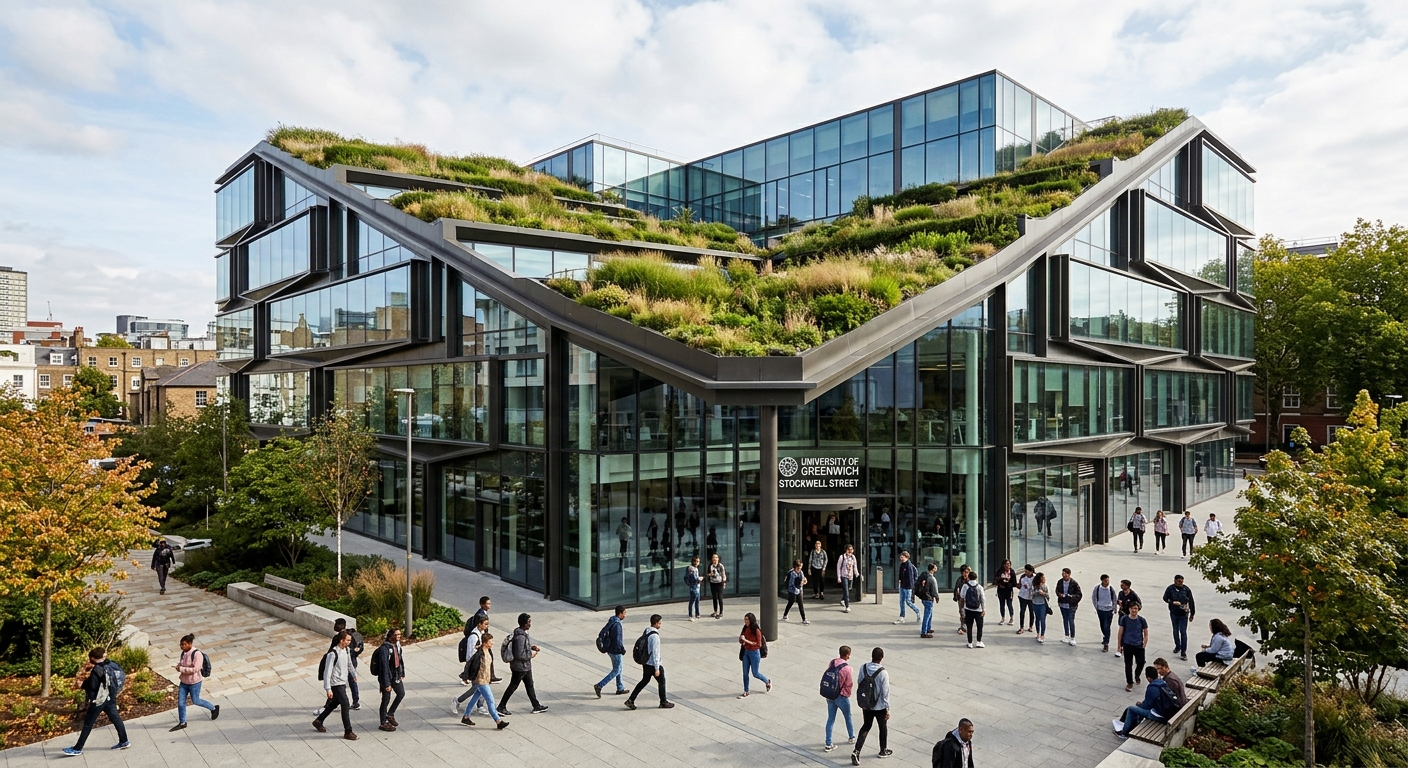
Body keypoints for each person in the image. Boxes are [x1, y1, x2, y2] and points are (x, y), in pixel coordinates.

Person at [62, 647, 130, 755]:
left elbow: (93, 687)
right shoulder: (111, 664)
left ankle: (77, 748)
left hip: (99, 700)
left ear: (93, 658)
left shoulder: (96, 670)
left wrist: (83, 686)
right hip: (110, 697)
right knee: (116, 719)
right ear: (103, 656)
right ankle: (124, 741)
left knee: (88, 723)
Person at [499, 613, 547, 715]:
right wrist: (531, 655)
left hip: (525, 667)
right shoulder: (520, 637)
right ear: (524, 623)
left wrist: (531, 647)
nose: (530, 624)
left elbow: (523, 648)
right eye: (529, 622)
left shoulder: (522, 633)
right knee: (513, 685)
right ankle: (501, 706)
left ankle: (536, 705)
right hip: (520, 667)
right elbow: (519, 654)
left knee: (529, 685)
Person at [459, 632, 510, 729]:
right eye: (490, 641)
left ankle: (466, 716)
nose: (492, 643)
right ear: (485, 643)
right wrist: (469, 677)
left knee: (474, 699)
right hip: (481, 681)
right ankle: (498, 721)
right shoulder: (479, 654)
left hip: (485, 680)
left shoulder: (487, 651)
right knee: (490, 701)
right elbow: (472, 666)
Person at [313, 630, 357, 740]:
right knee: (345, 704)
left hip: (343, 681)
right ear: (341, 640)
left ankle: (319, 721)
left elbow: (349, 663)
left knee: (334, 703)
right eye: (348, 640)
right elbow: (327, 672)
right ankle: (348, 731)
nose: (349, 642)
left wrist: (353, 674)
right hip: (336, 684)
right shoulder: (333, 654)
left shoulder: (346, 650)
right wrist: (328, 688)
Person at [851, 647, 892, 764]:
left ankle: (857, 750)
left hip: (867, 705)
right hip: (880, 707)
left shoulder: (863, 667)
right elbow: (885, 692)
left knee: (866, 726)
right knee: (882, 727)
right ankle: (883, 750)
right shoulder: (883, 672)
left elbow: (860, 683)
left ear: (872, 656)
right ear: (882, 658)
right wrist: (887, 708)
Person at [170, 633, 218, 730]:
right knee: (180, 703)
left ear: (190, 644)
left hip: (194, 682)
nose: (182, 646)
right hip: (184, 682)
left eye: (184, 644)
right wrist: (179, 666)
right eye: (181, 644)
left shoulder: (197, 654)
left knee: (196, 700)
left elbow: (196, 669)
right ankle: (182, 722)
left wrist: (182, 669)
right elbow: (183, 663)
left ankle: (213, 708)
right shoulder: (183, 653)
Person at [625, 614, 673, 710]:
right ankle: (663, 701)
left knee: (644, 681)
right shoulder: (655, 637)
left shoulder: (647, 631)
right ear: (655, 623)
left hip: (646, 662)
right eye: (659, 623)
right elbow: (655, 652)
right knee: (662, 681)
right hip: (653, 664)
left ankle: (631, 699)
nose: (660, 625)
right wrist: (657, 668)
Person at [1113, 666, 1172, 738]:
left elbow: (1146, 706)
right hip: (1167, 711)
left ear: (1149, 678)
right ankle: (1133, 725)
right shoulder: (1162, 682)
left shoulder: (1152, 687)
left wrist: (1140, 705)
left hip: (1159, 715)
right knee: (1138, 709)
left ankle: (1124, 733)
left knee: (1131, 709)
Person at [454, 614, 491, 713]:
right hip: (476, 666)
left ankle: (478, 706)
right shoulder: (473, 637)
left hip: (482, 665)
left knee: (478, 688)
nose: (487, 626)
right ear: (479, 624)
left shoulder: (482, 633)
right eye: (485, 624)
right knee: (478, 688)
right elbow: (469, 655)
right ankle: (459, 701)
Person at [823, 645, 856, 752]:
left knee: (831, 719)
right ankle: (851, 737)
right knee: (848, 716)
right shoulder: (848, 669)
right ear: (847, 655)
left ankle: (828, 743)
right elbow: (849, 684)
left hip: (830, 694)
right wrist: (846, 695)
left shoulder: (832, 662)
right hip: (841, 697)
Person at [372, 628, 406, 732]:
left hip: (396, 675)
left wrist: (402, 672)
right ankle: (383, 722)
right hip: (386, 677)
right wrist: (386, 684)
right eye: (396, 635)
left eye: (399, 634)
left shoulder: (397, 645)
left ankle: (390, 714)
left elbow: (400, 659)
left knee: (401, 693)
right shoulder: (384, 649)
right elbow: (384, 667)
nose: (398, 637)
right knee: (385, 700)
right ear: (390, 636)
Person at [593, 605, 629, 698]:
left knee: (619, 668)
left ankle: (620, 688)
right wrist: (622, 649)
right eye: (624, 613)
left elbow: (602, 633)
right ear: (620, 614)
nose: (625, 615)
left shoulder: (612, 621)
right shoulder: (617, 625)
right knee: (616, 670)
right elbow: (618, 640)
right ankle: (600, 685)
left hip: (609, 649)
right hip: (615, 650)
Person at [328, 618, 364, 711]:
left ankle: (337, 701)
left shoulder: (338, 638)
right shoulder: (351, 634)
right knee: (352, 682)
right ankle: (355, 702)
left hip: (342, 664)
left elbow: (331, 651)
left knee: (339, 682)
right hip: (352, 662)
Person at [1116, 602, 1150, 692]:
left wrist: (1144, 643)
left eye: (1135, 608)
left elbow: (1146, 633)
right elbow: (1120, 633)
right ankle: (1129, 682)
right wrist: (1119, 645)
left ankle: (1137, 674)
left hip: (1139, 645)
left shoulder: (1142, 620)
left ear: (1138, 609)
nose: (1134, 610)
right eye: (1132, 608)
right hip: (1127, 645)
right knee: (1128, 665)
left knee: (1141, 662)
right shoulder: (1124, 619)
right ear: (1129, 609)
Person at [1163, 575, 1196, 661]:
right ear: (1175, 581)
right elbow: (1165, 598)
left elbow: (1191, 601)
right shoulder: (1170, 588)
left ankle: (1183, 651)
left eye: (1182, 581)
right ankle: (1178, 645)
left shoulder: (1186, 589)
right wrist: (1172, 602)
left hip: (1183, 614)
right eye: (1179, 581)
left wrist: (1192, 613)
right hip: (1174, 613)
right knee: (1175, 630)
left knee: (1183, 632)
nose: (1180, 583)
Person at [738, 612, 771, 697]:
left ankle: (767, 681)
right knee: (745, 673)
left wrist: (746, 641)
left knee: (755, 673)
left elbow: (758, 644)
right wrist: (742, 641)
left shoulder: (756, 630)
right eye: (744, 619)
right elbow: (741, 639)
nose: (745, 621)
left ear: (751, 620)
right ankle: (746, 690)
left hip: (754, 653)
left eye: (747, 619)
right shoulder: (745, 628)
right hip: (746, 652)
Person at [1055, 567, 1082, 646]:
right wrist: (1059, 594)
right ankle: (1066, 635)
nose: (1064, 575)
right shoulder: (1060, 582)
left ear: (1069, 574)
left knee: (1071, 620)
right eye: (1062, 574)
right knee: (1065, 619)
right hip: (1062, 604)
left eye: (1065, 574)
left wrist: (1071, 597)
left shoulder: (1074, 583)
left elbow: (1079, 594)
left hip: (1071, 605)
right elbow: (1057, 590)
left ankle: (1072, 637)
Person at [959, 570, 986, 648]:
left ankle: (970, 642)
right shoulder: (979, 587)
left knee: (969, 626)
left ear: (969, 577)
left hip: (968, 609)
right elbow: (983, 599)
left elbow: (962, 597)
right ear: (976, 578)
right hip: (978, 609)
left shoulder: (965, 586)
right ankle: (979, 641)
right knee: (979, 626)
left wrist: (962, 609)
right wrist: (983, 609)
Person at [1092, 574, 1117, 652]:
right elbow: (1094, 597)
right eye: (1106, 581)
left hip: (1109, 610)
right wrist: (1097, 607)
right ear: (1102, 581)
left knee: (1107, 626)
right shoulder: (1097, 588)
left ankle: (1106, 643)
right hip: (1100, 609)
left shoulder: (1111, 589)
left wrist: (1114, 608)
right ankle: (1105, 636)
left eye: (1108, 580)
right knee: (1102, 625)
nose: (1107, 582)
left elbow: (1114, 598)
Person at [893, 551, 919, 624]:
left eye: (902, 557)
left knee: (908, 601)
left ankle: (917, 611)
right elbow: (901, 574)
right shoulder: (902, 565)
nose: (901, 558)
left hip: (907, 587)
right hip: (902, 585)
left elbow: (911, 578)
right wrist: (900, 580)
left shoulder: (909, 566)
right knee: (902, 601)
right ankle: (902, 616)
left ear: (906, 557)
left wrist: (911, 587)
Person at [783, 559, 810, 624]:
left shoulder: (801, 572)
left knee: (800, 604)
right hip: (792, 590)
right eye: (798, 568)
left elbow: (803, 578)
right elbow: (791, 584)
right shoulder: (792, 573)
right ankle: (785, 614)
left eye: (800, 568)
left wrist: (804, 581)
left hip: (799, 589)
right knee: (791, 602)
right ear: (795, 567)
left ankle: (804, 618)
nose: (800, 569)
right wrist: (799, 585)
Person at [917, 562, 940, 638]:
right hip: (928, 598)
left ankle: (928, 628)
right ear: (933, 569)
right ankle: (924, 631)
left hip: (924, 597)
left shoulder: (925, 576)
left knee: (929, 614)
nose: (936, 569)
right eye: (935, 568)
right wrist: (937, 597)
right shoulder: (932, 578)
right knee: (927, 615)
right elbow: (934, 590)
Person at [994, 559, 1017, 626]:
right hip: (1001, 590)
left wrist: (1009, 584)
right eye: (1006, 564)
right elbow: (995, 580)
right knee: (1002, 604)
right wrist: (1000, 584)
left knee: (1009, 604)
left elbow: (1014, 582)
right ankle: (1003, 618)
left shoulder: (1012, 572)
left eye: (1009, 564)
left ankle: (1011, 618)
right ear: (1003, 565)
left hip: (1009, 590)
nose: (1008, 565)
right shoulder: (999, 571)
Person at [837, 544, 859, 613]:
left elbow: (855, 566)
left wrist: (857, 575)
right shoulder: (842, 557)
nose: (850, 551)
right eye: (848, 549)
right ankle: (847, 606)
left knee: (848, 589)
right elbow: (838, 567)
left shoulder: (853, 557)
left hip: (850, 576)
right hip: (844, 576)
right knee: (846, 591)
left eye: (851, 550)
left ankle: (843, 600)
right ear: (846, 550)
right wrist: (839, 577)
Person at [951, 564, 972, 635]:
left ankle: (967, 625)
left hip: (969, 599)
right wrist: (955, 597)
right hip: (961, 599)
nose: (965, 574)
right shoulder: (960, 580)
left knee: (968, 613)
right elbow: (956, 588)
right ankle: (963, 626)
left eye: (967, 572)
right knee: (962, 613)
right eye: (964, 572)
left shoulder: (971, 580)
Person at [1031, 571, 1050, 643]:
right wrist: (1037, 592)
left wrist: (1044, 594)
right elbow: (1031, 594)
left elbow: (1048, 596)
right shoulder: (1034, 586)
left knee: (1042, 619)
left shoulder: (1045, 586)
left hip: (1043, 604)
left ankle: (1042, 635)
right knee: (1037, 619)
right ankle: (1038, 633)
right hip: (1035, 603)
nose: (1044, 578)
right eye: (1042, 577)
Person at [1016, 564, 1036, 634]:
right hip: (1023, 596)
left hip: (1031, 597)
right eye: (1025, 571)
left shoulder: (1035, 577)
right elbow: (1019, 585)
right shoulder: (1023, 577)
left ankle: (1031, 626)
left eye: (1027, 572)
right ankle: (1021, 627)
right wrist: (1018, 585)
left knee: (1031, 611)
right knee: (1022, 611)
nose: (1026, 573)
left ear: (1031, 572)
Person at [708, 552, 728, 619]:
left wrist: (724, 582)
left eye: (716, 557)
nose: (715, 559)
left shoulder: (721, 566)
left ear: (718, 559)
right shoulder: (710, 566)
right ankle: (715, 611)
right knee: (714, 598)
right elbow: (707, 574)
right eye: (713, 557)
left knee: (720, 598)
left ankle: (721, 612)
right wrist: (710, 575)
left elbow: (723, 574)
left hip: (719, 583)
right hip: (713, 583)